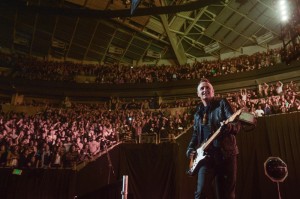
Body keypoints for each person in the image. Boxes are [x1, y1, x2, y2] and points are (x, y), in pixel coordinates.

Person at [186, 78, 241, 199]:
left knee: (227, 195)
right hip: (206, 157)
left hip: (226, 155)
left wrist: (228, 127)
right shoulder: (197, 113)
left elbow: (237, 125)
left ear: (213, 91)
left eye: (207, 88)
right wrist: (190, 149)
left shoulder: (222, 104)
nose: (205, 89)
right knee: (200, 193)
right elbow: (195, 134)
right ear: (198, 94)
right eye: (202, 88)